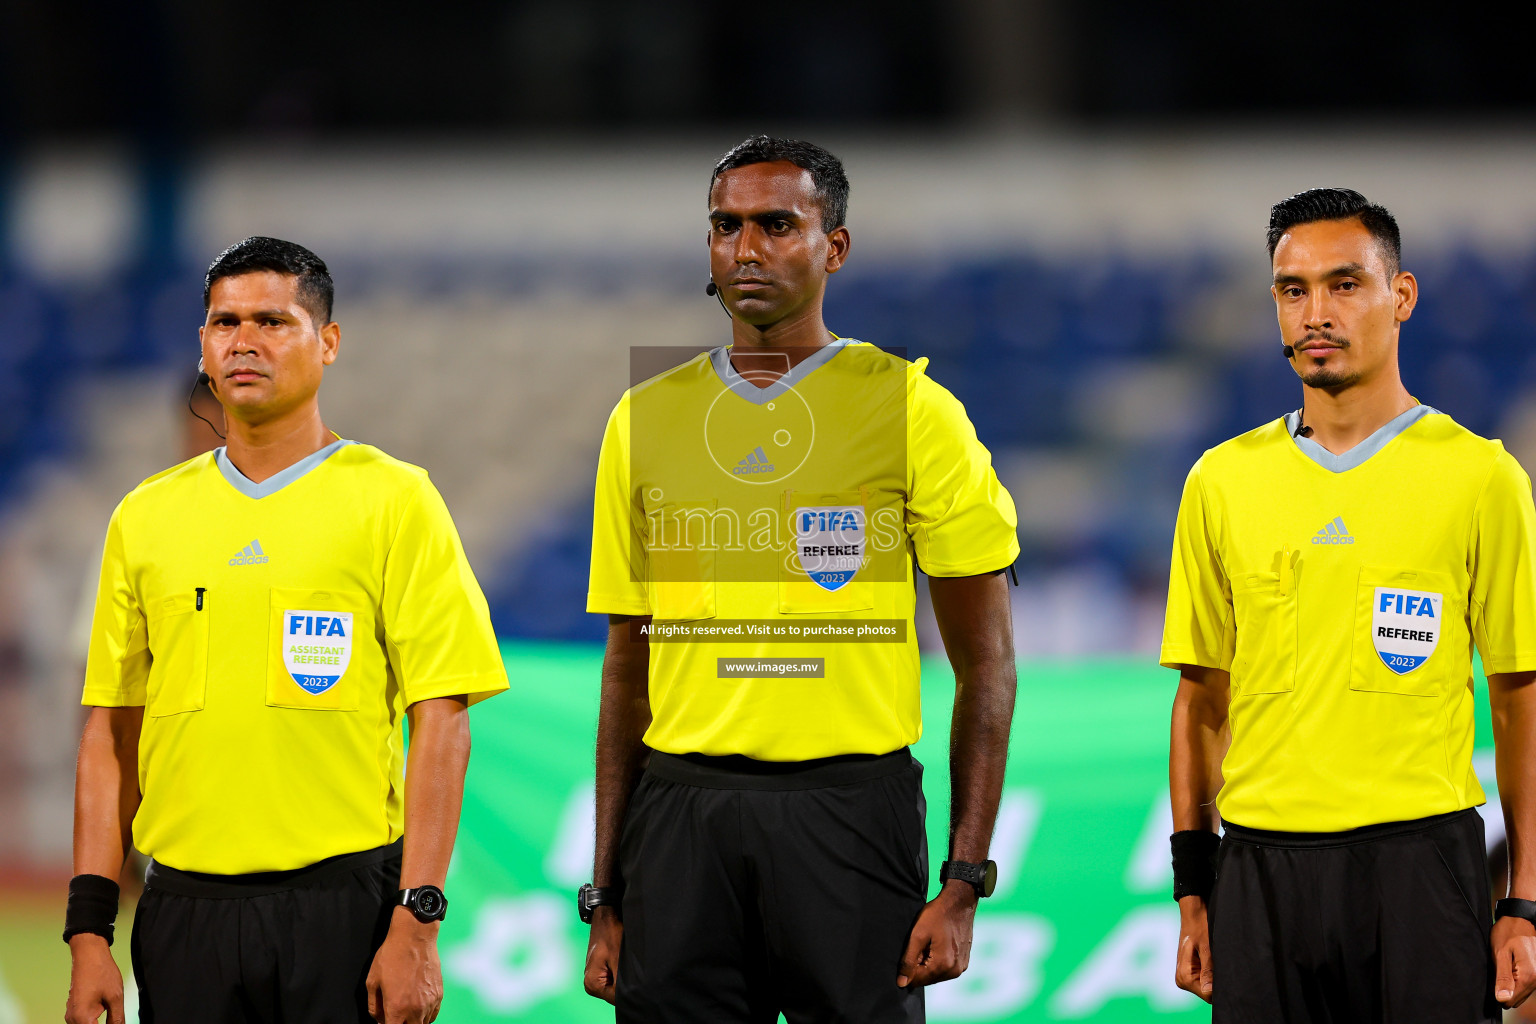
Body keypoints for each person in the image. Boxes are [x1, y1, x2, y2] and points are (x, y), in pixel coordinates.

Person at [581, 136, 1020, 1023]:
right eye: (726, 227)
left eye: (778, 225)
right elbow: (629, 665)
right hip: (680, 817)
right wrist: (606, 894)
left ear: (835, 247)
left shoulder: (914, 411)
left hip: (852, 815)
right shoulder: (644, 416)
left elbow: (989, 666)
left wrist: (966, 875)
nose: (747, 249)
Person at [63, 236, 508, 1024]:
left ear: (328, 342)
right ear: (203, 345)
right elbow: (110, 730)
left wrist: (418, 919)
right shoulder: (144, 516)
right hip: (183, 912)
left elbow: (442, 720)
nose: (244, 340)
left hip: (343, 906)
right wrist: (89, 929)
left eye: (274, 320)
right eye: (224, 322)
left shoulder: (396, 499)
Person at [1162, 187, 1536, 1023]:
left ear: (1400, 297)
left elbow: (1521, 703)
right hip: (1258, 871)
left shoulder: (1483, 479)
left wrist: (1524, 904)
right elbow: (1201, 700)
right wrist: (1195, 891)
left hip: (1421, 866)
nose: (1316, 313)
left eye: (1344, 284)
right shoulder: (1220, 481)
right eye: (1294, 291)